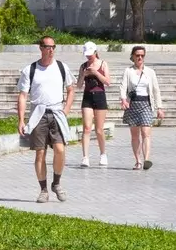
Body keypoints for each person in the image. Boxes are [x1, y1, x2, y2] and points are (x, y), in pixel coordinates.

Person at [16, 36, 74, 202]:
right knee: (40, 154)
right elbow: (23, 95)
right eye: (47, 47)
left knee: (60, 149)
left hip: (57, 113)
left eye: (53, 47)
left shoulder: (62, 67)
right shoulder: (31, 69)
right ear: (40, 48)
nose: (51, 50)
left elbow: (71, 90)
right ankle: (43, 190)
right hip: (38, 114)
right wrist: (21, 120)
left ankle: (56, 183)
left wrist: (66, 110)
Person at [120, 45, 163, 169]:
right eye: (137, 55)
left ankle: (147, 159)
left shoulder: (150, 72)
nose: (140, 57)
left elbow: (156, 90)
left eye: (142, 55)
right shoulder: (128, 71)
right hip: (133, 104)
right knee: (135, 135)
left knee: (146, 133)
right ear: (133, 56)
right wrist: (123, 99)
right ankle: (138, 160)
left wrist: (159, 107)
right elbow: (123, 86)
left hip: (146, 104)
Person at [78, 43, 111, 167]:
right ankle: (85, 157)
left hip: (100, 96)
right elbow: (79, 85)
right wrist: (83, 75)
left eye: (90, 55)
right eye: (87, 55)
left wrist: (96, 73)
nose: (88, 57)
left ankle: (103, 154)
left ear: (95, 52)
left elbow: (107, 81)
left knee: (99, 129)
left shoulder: (103, 64)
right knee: (87, 127)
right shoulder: (83, 66)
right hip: (87, 97)